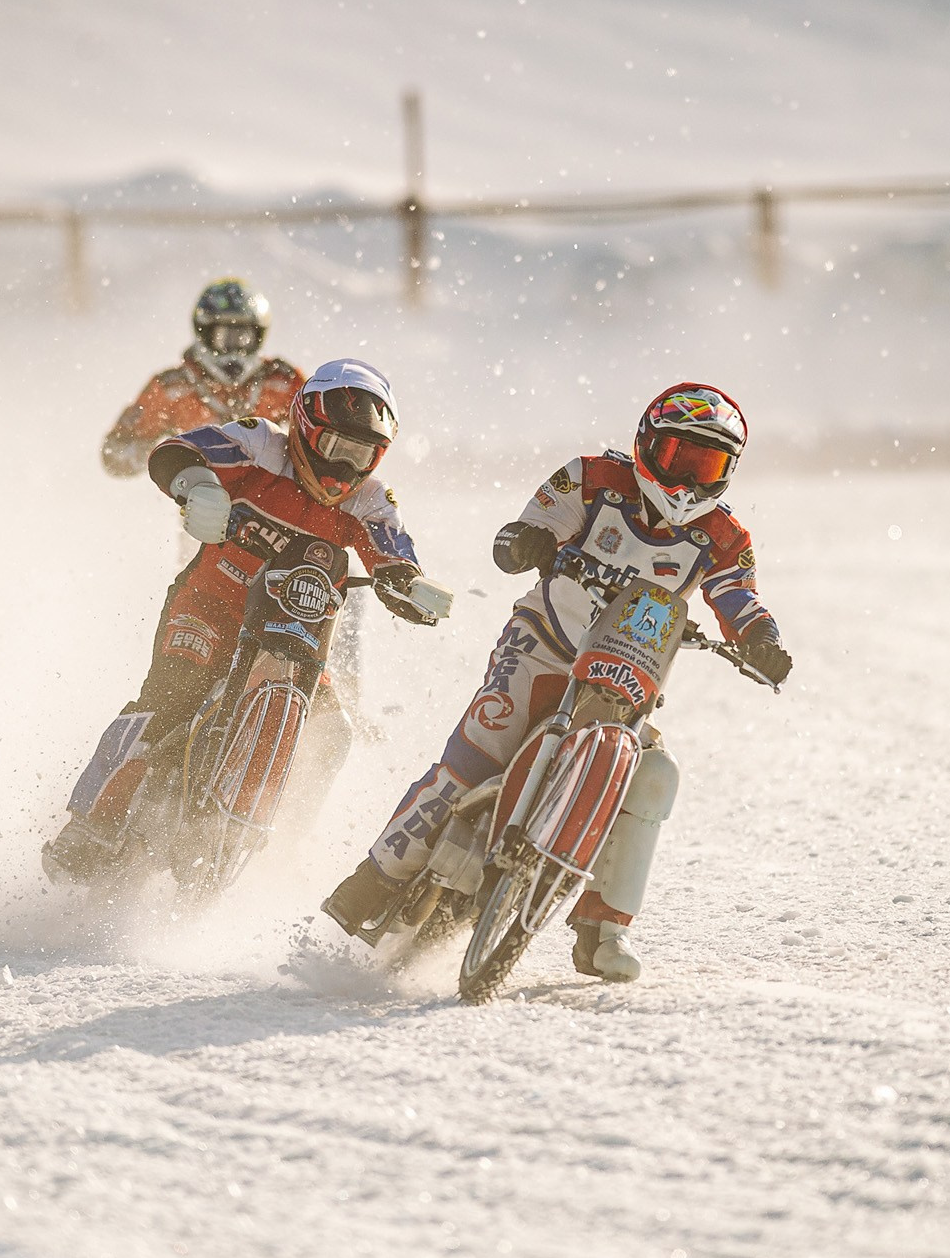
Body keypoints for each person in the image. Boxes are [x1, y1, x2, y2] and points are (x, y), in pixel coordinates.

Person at [322, 383, 794, 982]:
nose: (692, 483)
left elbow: (739, 597)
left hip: (629, 671)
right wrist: (530, 542)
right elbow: (526, 529)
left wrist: (762, 640)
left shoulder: (724, 538)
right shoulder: (591, 479)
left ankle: (605, 932)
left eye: (711, 466)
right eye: (683, 459)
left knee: (654, 775)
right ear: (649, 445)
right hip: (542, 643)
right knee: (475, 755)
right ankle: (374, 879)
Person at [44, 358, 454, 879]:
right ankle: (88, 824)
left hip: (297, 636)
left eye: (362, 455)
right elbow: (175, 452)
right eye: (336, 448)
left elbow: (392, 554)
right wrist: (199, 486)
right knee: (170, 699)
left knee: (334, 734)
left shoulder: (371, 501)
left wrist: (411, 586)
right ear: (307, 430)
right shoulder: (259, 444)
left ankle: (278, 852)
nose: (344, 468)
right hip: (210, 608)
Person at [99, 278, 304, 479]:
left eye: (243, 337)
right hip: (201, 499)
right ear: (204, 333)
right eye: (224, 337)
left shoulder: (283, 382)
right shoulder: (172, 388)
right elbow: (115, 455)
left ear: (258, 336)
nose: (234, 348)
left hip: (274, 499)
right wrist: (167, 458)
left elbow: (323, 431)